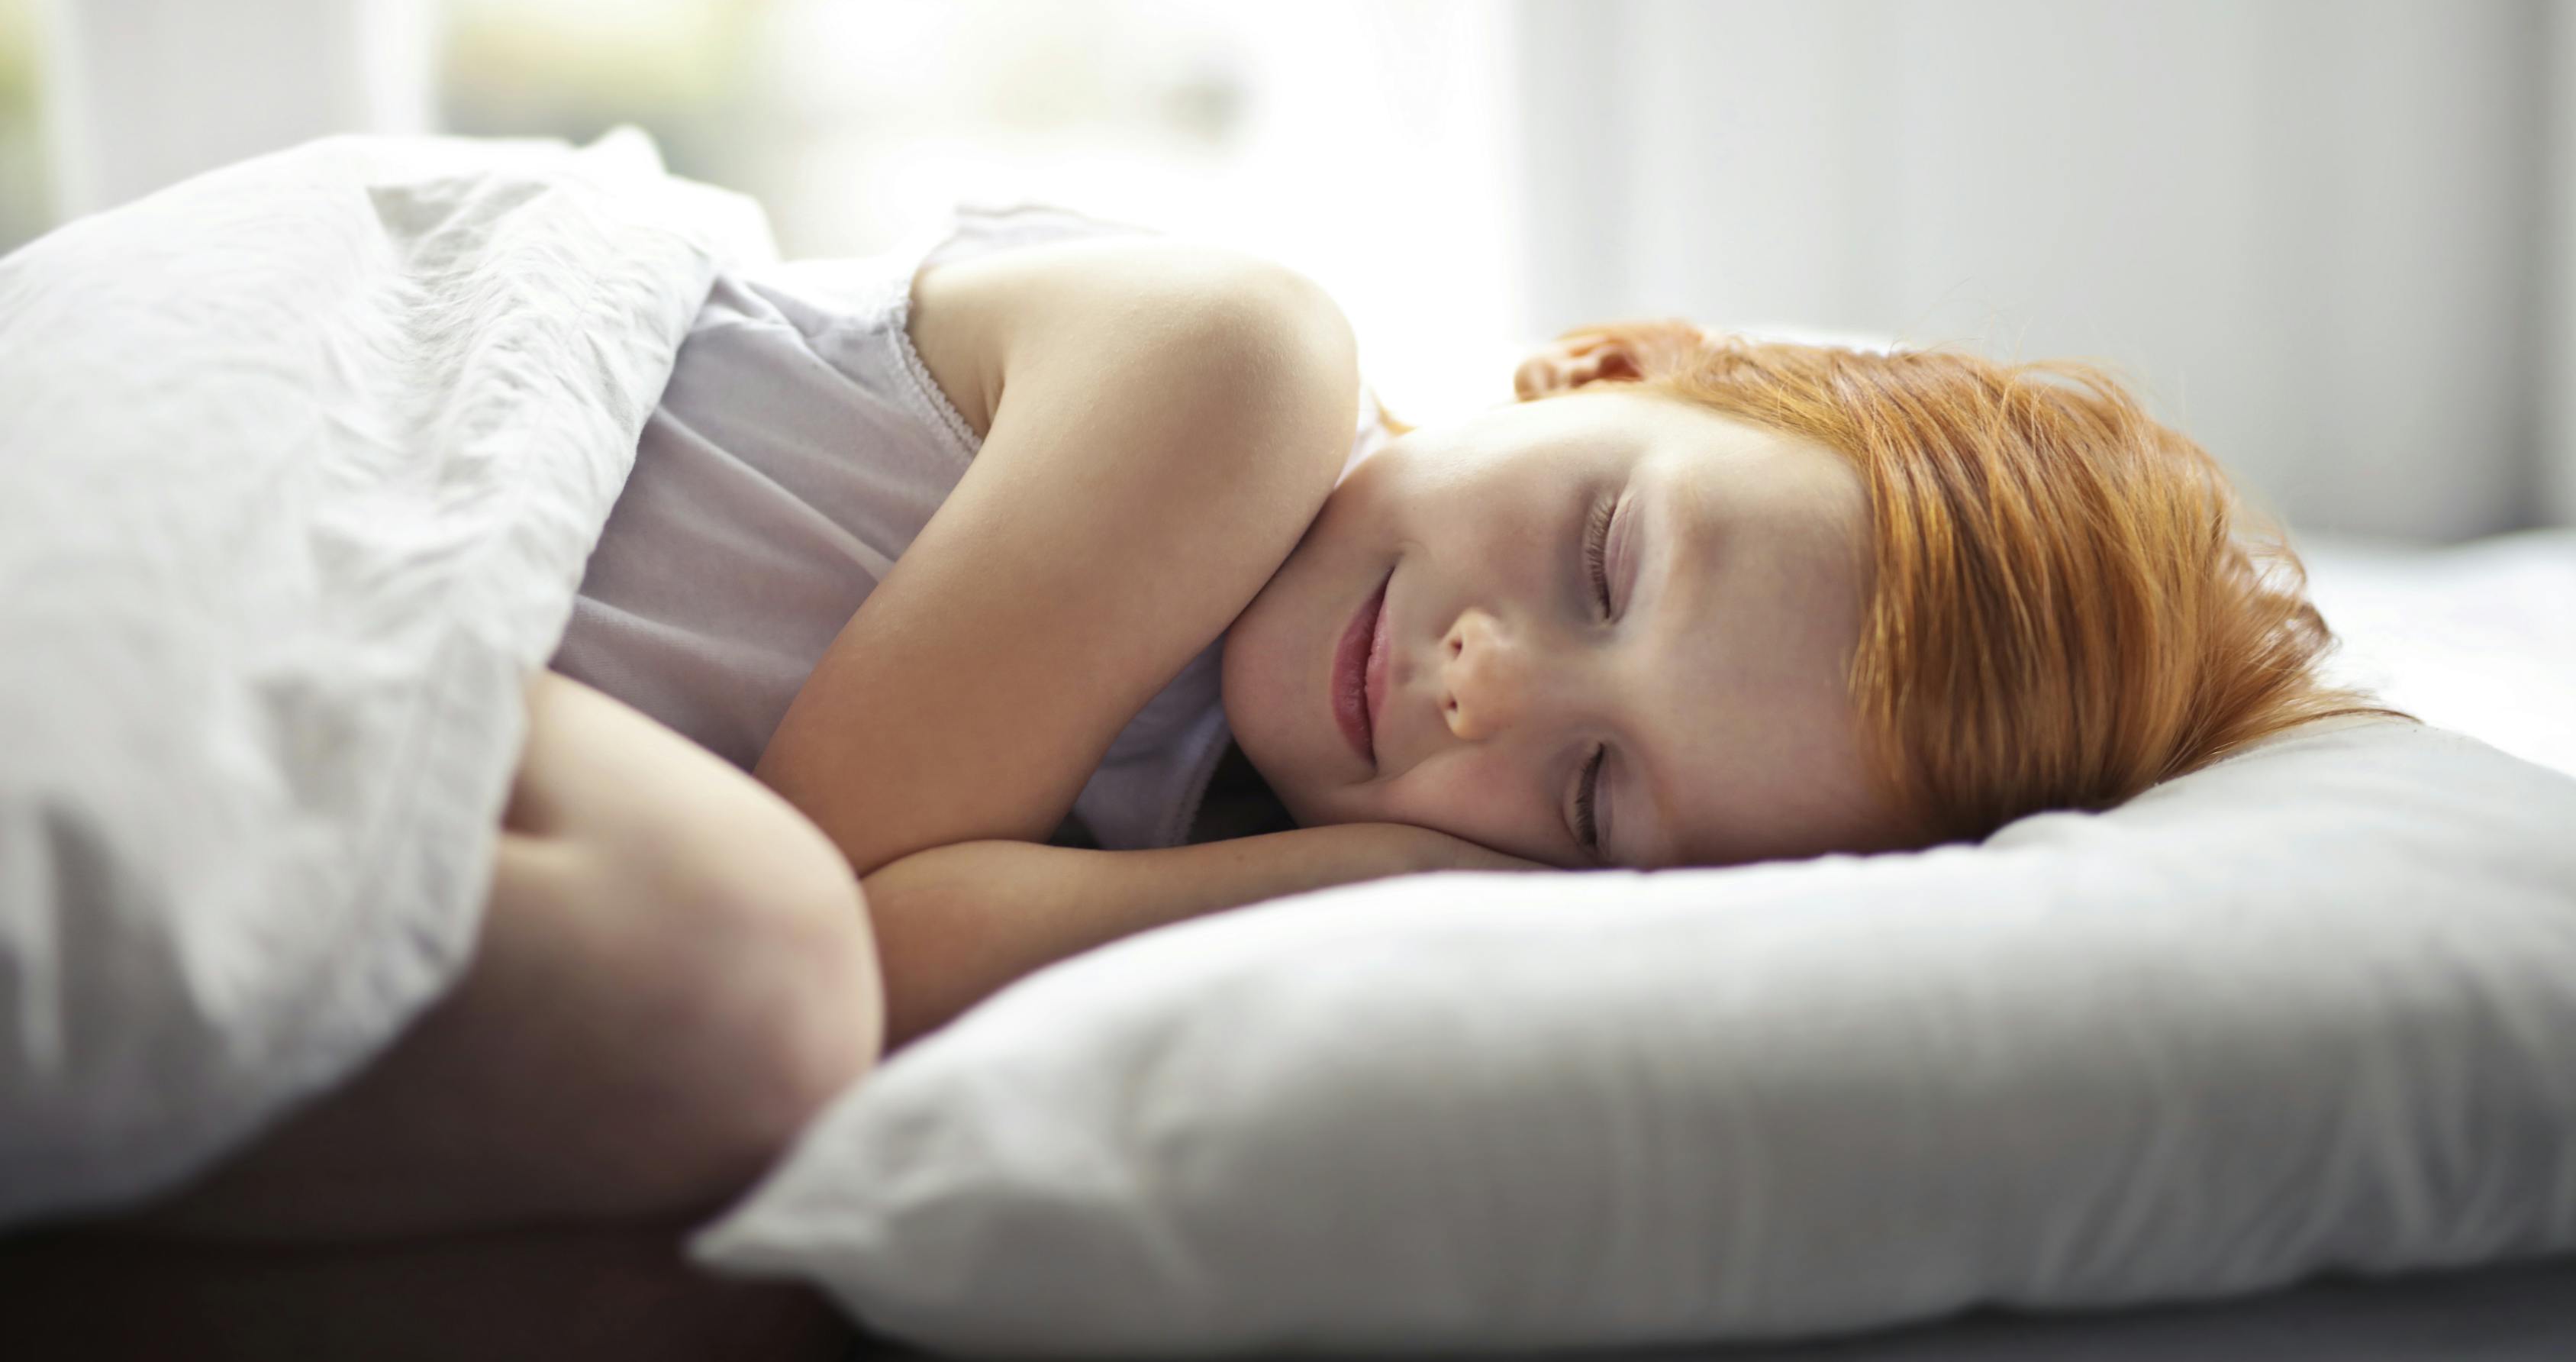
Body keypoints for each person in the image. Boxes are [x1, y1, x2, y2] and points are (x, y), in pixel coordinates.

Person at [27, 208, 2381, 1357]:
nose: (1477, 685)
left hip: (423, 737)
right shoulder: (1243, 377)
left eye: (1591, 800)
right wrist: (1463, 875)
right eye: (1603, 553)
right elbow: (870, 913)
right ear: (1601, 364)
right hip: (284, 473)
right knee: (734, 998)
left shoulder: (1177, 822)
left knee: (726, 1290)